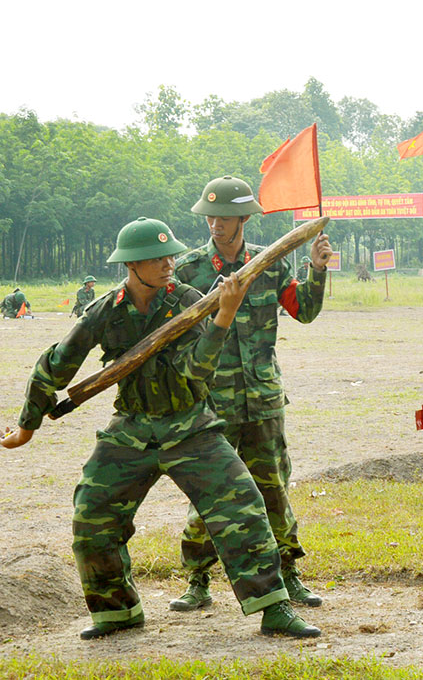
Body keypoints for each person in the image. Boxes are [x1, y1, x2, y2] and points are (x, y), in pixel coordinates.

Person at [1, 217, 319, 640]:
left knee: (242, 506)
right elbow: (57, 364)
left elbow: (197, 369)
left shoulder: (188, 301)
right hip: (131, 429)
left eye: (170, 254)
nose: (168, 263)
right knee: (92, 514)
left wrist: (223, 316)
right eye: (156, 258)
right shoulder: (105, 311)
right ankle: (116, 613)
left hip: (190, 425)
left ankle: (273, 607)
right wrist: (28, 424)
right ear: (132, 266)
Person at [170, 176, 332, 613]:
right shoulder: (188, 270)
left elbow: (304, 312)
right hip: (210, 404)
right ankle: (197, 580)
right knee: (210, 492)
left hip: (262, 398)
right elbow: (172, 336)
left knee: (272, 487)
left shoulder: (270, 263)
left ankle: (288, 572)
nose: (215, 225)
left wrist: (316, 270)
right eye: (209, 217)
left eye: (223, 217)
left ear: (244, 217)